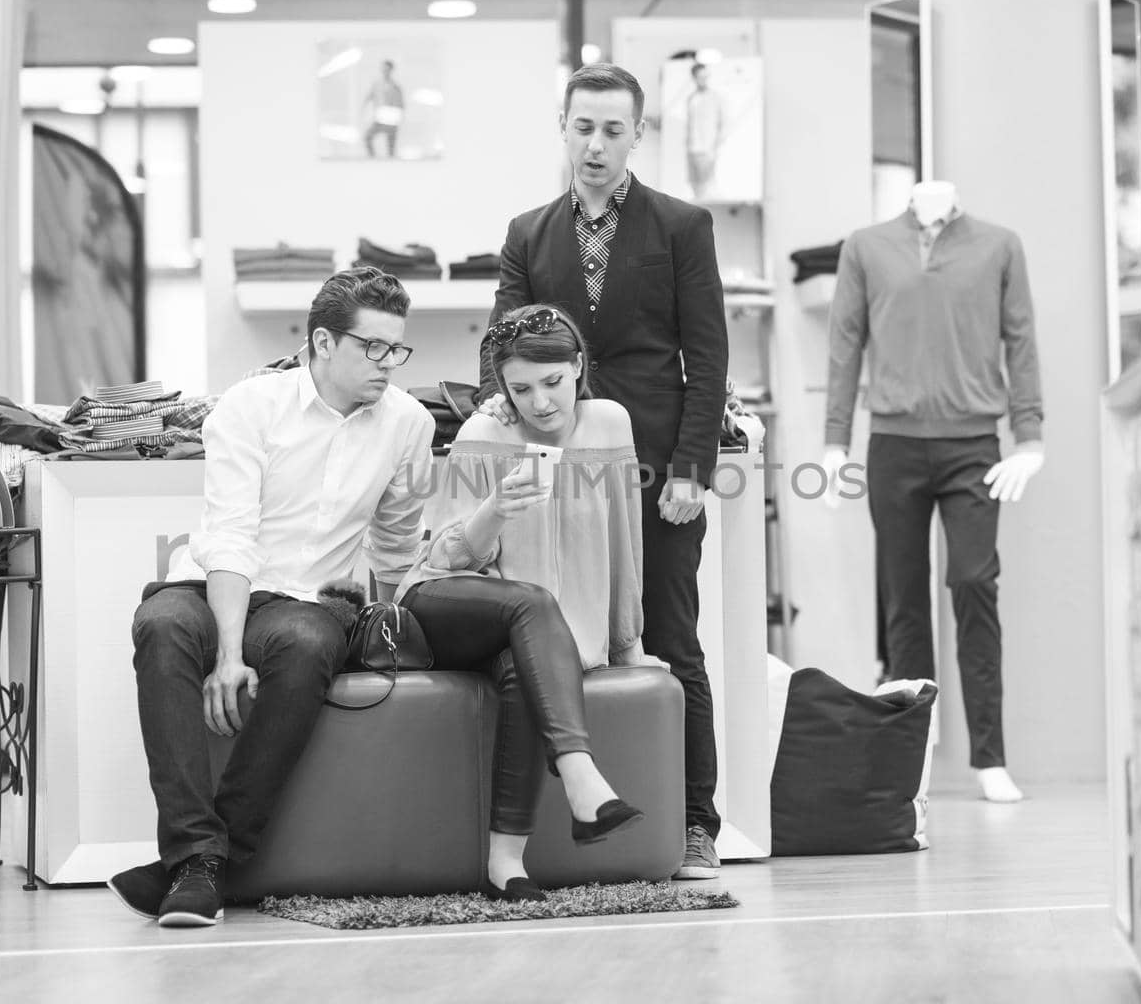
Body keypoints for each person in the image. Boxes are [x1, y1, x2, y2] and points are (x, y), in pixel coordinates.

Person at [107, 267, 433, 927]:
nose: (387, 364)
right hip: (216, 585)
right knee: (162, 624)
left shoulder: (408, 423)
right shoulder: (249, 407)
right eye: (371, 347)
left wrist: (391, 619)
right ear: (321, 342)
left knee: (309, 640)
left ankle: (201, 864)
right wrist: (228, 654)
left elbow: (398, 539)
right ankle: (201, 858)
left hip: (310, 604)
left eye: (396, 349)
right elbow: (229, 535)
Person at [477, 63, 729, 879]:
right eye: (583, 127)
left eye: (613, 130)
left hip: (656, 468)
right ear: (564, 126)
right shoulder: (527, 232)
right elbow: (500, 353)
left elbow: (708, 355)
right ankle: (569, 818)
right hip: (555, 472)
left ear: (636, 135)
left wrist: (692, 467)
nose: (596, 144)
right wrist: (497, 438)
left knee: (671, 638)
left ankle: (695, 821)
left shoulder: (681, 226)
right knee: (563, 634)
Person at [398, 303, 647, 901]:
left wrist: (628, 642)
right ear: (503, 390)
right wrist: (494, 512)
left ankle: (505, 862)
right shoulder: (483, 433)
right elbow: (446, 558)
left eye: (553, 382)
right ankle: (581, 777)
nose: (540, 403)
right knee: (532, 604)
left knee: (523, 666)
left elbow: (625, 540)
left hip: (537, 639)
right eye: (521, 389)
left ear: (579, 367)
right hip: (456, 608)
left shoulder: (610, 424)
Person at [822, 180, 1045, 805]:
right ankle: (909, 758)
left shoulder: (999, 246)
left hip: (973, 443)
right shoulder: (867, 247)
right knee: (903, 601)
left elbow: (1021, 338)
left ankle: (990, 757)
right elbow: (845, 344)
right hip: (894, 445)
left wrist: (1029, 436)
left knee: (974, 584)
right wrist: (835, 440)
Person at [685, 61, 724, 201]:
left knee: (706, 186)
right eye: (700, 77)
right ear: (694, 78)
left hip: (707, 149)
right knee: (695, 185)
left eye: (706, 76)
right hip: (692, 148)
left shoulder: (714, 97)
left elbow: (721, 123)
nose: (704, 80)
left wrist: (714, 146)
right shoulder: (692, 98)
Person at [363, 59, 404, 158]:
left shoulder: (396, 86)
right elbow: (369, 97)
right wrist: (364, 108)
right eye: (383, 68)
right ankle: (373, 160)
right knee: (367, 137)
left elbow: (401, 104)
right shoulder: (376, 84)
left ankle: (390, 166)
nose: (385, 70)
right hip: (380, 119)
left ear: (391, 70)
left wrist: (399, 116)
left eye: (387, 68)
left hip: (392, 120)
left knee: (391, 147)